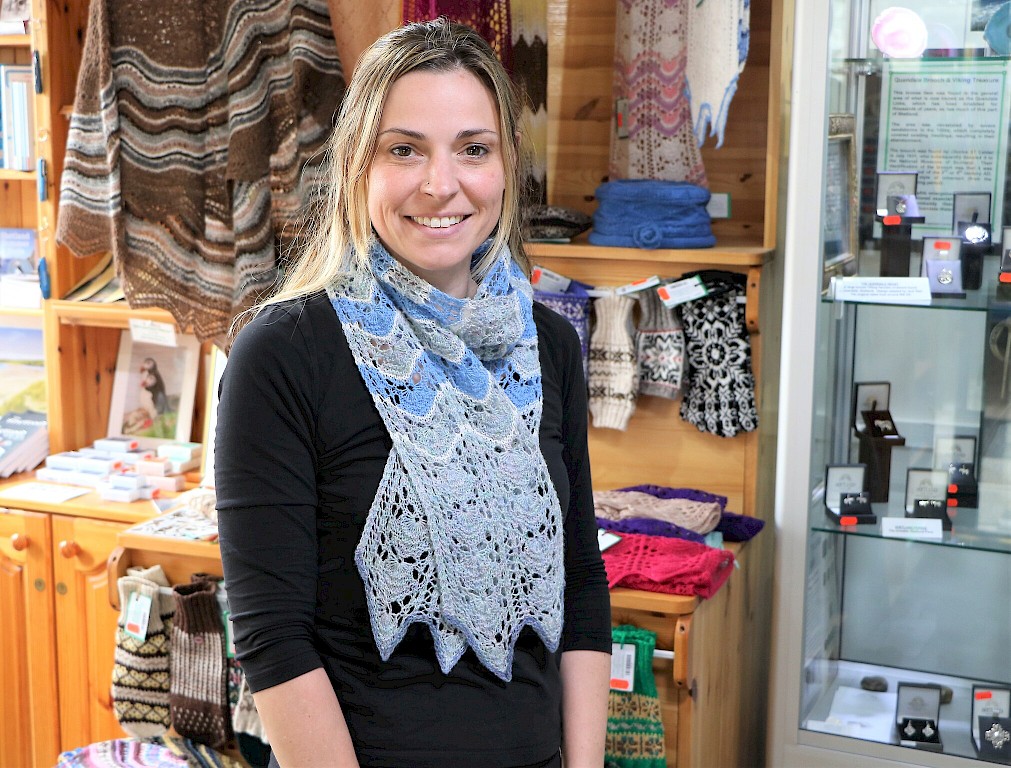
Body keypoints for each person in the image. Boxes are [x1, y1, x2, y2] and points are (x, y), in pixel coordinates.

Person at [215, 18, 611, 768]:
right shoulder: (285, 353)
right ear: (358, 165)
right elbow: (272, 636)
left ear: (505, 168)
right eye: (404, 149)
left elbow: (581, 583)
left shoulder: (549, 345)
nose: (440, 184)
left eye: (472, 149)